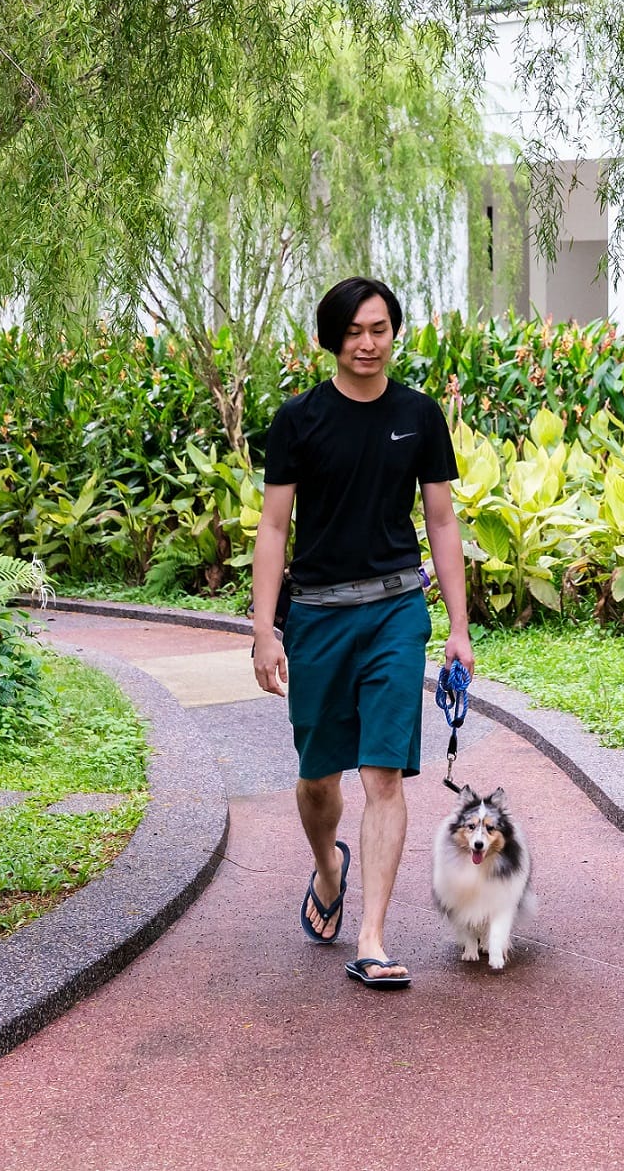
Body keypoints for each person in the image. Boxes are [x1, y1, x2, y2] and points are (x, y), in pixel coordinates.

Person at [250, 276, 471, 990]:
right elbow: (274, 528)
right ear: (331, 339)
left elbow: (441, 520)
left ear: (393, 332)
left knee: (383, 773)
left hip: (395, 613)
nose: (367, 343)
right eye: (353, 332)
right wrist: (264, 629)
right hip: (316, 614)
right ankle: (327, 866)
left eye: (378, 329)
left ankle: (372, 936)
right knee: (318, 778)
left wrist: (459, 627)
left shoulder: (419, 415)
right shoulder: (299, 420)